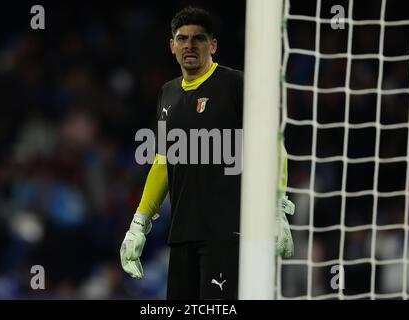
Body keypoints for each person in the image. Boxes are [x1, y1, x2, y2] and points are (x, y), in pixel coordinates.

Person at [120, 6, 295, 300]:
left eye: (198, 38)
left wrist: (277, 205)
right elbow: (162, 162)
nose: (190, 45)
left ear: (212, 45)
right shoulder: (168, 93)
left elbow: (272, 144)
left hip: (227, 233)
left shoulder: (236, 84)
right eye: (182, 38)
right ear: (172, 45)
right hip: (182, 234)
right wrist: (140, 222)